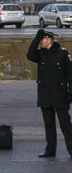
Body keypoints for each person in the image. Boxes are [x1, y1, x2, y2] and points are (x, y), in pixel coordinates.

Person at [26, 28, 72, 158]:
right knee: (49, 124)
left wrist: (70, 93)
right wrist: (37, 37)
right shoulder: (40, 54)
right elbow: (29, 55)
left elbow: (71, 75)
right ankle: (50, 150)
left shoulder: (62, 53)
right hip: (45, 94)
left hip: (60, 94)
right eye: (40, 39)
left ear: (49, 40)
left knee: (66, 125)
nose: (40, 42)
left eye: (42, 39)